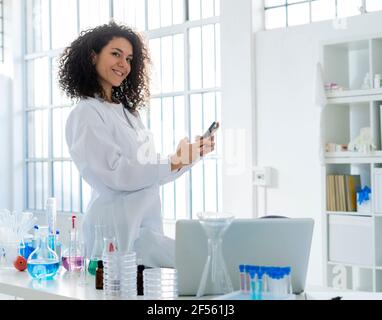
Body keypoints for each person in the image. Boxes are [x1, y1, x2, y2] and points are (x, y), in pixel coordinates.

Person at [59, 22, 218, 268]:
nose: (124, 65)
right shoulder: (86, 113)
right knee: (201, 265)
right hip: (115, 231)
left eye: (129, 58)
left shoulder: (129, 115)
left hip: (144, 228)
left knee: (203, 266)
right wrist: (174, 160)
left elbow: (148, 174)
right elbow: (117, 173)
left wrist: (189, 157)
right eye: (116, 54)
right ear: (92, 57)